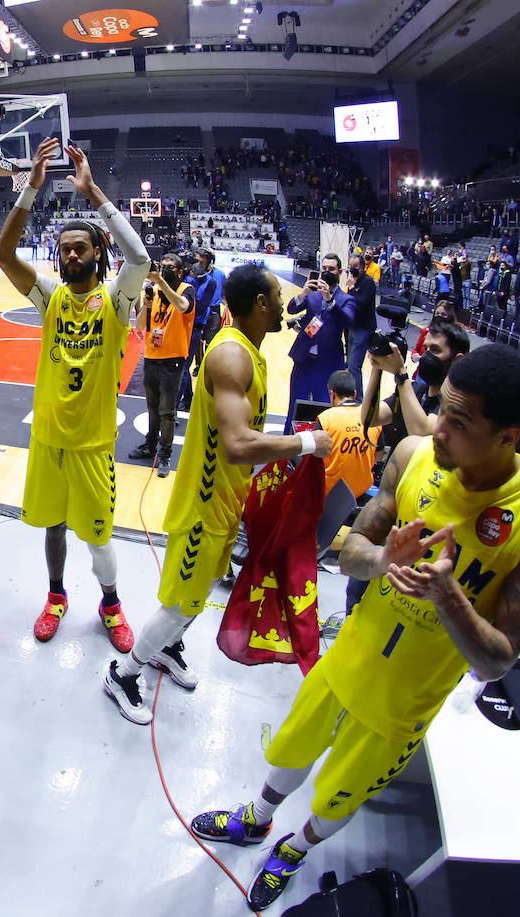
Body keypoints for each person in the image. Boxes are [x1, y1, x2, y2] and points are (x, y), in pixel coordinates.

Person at [191, 344, 520, 910]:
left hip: (406, 700)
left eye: (458, 422)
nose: (437, 429)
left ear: (507, 438)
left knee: (340, 796)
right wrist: (381, 561)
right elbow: (349, 553)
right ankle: (258, 817)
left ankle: (294, 848)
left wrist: (449, 597)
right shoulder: (415, 456)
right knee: (291, 750)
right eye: (442, 409)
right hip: (350, 657)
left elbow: (498, 661)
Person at [103, 265, 332, 724]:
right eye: (277, 296)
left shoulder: (252, 352)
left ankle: (166, 650)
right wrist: (307, 443)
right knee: (178, 605)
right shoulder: (231, 357)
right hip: (202, 508)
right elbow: (238, 445)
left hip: (228, 506)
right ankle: (123, 675)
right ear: (261, 304)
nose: (285, 304)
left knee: (203, 590)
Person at [0, 137, 151, 653]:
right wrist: (31, 189)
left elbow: (142, 256)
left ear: (97, 253)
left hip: (92, 445)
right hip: (47, 441)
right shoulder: (49, 296)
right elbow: (2, 253)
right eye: (63, 249)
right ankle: (56, 596)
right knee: (53, 528)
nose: (69, 255)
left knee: (98, 536)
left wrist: (95, 194)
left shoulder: (116, 301)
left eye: (79, 247)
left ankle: (110, 602)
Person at [127, 251, 195, 477]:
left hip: (172, 360)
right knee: (152, 409)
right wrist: (146, 304)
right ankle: (149, 445)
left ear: (180, 272)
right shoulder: (153, 291)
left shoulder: (186, 290)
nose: (164, 269)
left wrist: (161, 282)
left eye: (169, 267)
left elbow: (183, 307)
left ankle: (164, 455)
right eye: (162, 266)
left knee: (167, 412)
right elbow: (139, 326)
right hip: (151, 358)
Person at [282, 254, 355, 433]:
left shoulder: (347, 299)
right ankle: (287, 443)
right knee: (295, 403)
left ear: (339, 272)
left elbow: (349, 321)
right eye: (324, 268)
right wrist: (303, 293)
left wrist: (330, 300)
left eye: (331, 269)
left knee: (324, 406)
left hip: (328, 363)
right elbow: (291, 309)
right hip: (304, 359)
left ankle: (320, 448)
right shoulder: (312, 294)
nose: (327, 272)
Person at [316, 370, 379, 501]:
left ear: (332, 394)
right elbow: (379, 454)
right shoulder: (371, 418)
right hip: (363, 493)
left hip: (330, 494)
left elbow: (314, 459)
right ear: (355, 394)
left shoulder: (326, 418)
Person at [179, 248, 226, 412]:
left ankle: (208, 374)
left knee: (209, 345)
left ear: (209, 259)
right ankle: (198, 367)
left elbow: (223, 293)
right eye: (198, 257)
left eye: (203, 258)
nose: (199, 259)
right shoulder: (189, 274)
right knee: (192, 355)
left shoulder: (217, 276)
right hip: (189, 320)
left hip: (210, 312)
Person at [344, 253, 377, 396]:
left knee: (354, 365)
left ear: (362, 267)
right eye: (350, 267)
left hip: (363, 328)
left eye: (355, 267)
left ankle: (358, 399)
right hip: (353, 326)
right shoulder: (356, 281)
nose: (352, 270)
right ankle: (351, 393)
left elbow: (361, 304)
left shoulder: (368, 282)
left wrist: (351, 288)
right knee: (349, 364)